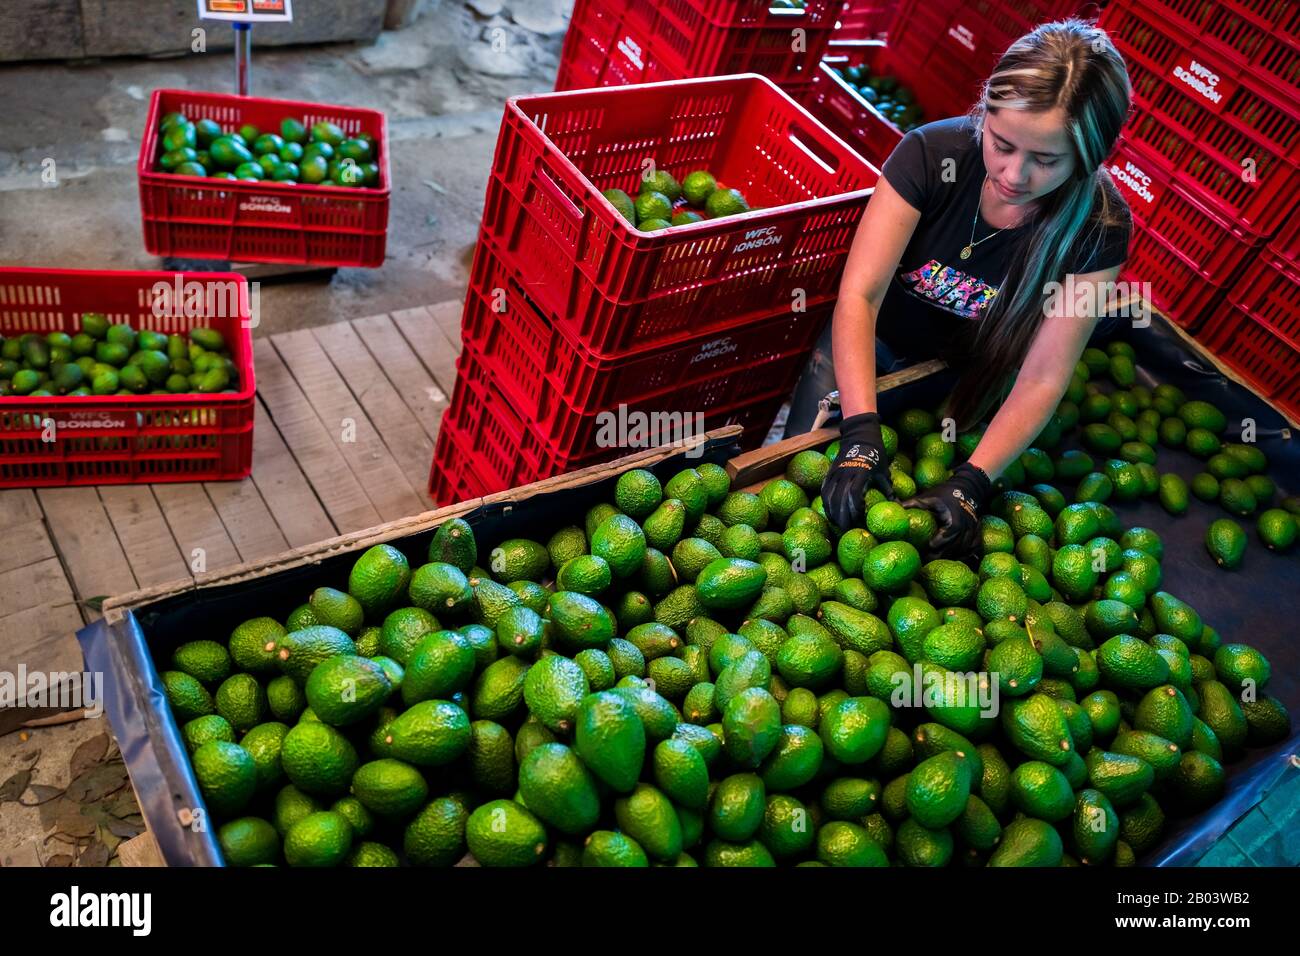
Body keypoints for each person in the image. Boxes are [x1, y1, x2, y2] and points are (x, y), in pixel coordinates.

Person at [784, 19, 1134, 559]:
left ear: (1090, 159)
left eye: (1045, 161)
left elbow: (1043, 373)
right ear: (984, 113)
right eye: (1002, 144)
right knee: (806, 480)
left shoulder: (1099, 230)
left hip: (964, 379)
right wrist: (858, 432)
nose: (1014, 174)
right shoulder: (931, 155)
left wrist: (974, 481)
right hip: (866, 347)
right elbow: (860, 296)